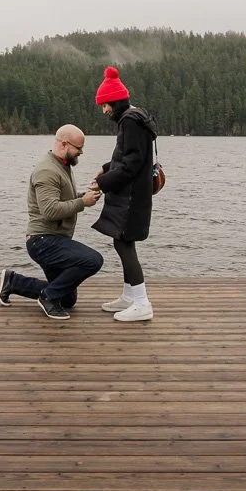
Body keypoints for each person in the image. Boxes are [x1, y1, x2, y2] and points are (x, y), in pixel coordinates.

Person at [0, 124, 104, 320]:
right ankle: (47, 297)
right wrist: (82, 202)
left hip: (54, 239)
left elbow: (60, 198)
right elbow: (49, 210)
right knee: (93, 260)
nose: (81, 152)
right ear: (64, 144)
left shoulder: (62, 165)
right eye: (78, 148)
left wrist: (83, 195)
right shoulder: (46, 170)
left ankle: (13, 282)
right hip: (43, 241)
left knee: (67, 300)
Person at [89, 66, 158, 322]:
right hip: (134, 195)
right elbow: (128, 157)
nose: (104, 110)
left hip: (131, 197)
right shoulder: (132, 119)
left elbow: (131, 165)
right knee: (123, 241)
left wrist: (102, 183)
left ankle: (142, 303)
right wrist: (105, 168)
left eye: (105, 104)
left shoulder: (129, 121)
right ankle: (130, 296)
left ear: (115, 101)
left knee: (123, 242)